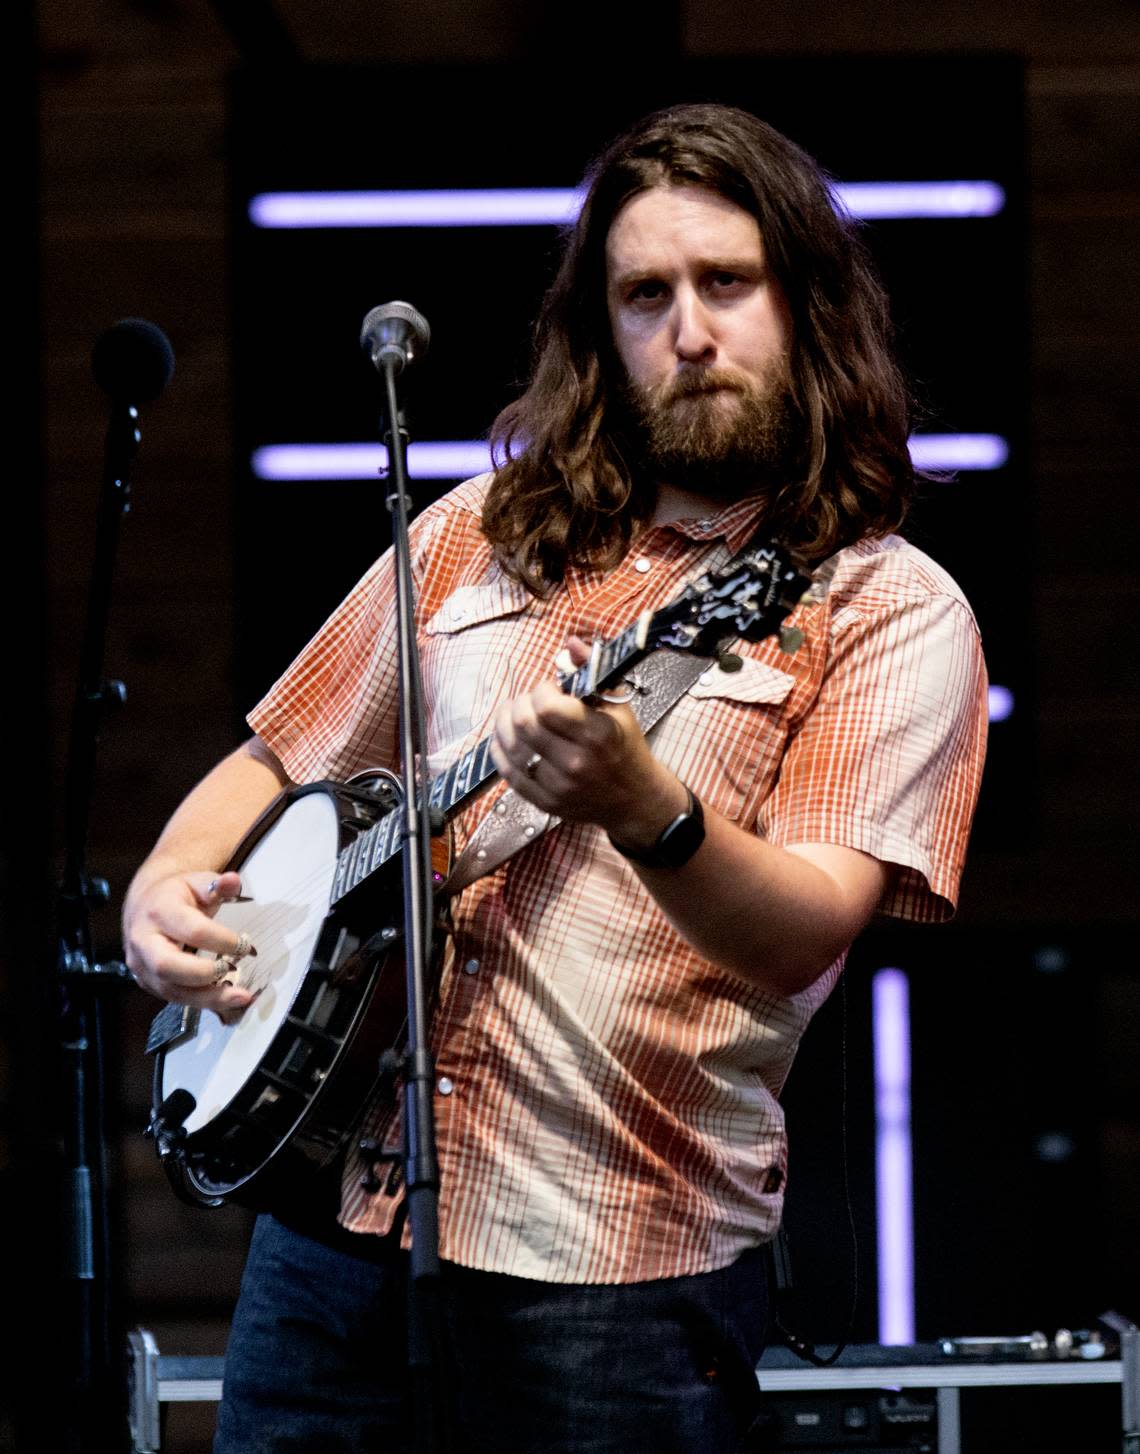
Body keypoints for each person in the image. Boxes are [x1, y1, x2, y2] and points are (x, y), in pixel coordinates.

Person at [123, 102, 988, 1454]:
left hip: (618, 1272)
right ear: (601, 332)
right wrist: (163, 891)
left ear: (807, 306)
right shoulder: (476, 532)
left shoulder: (887, 607)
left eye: (727, 285)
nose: (689, 331)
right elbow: (277, 754)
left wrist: (652, 812)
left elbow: (811, 921)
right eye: (646, 295)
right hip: (337, 1233)